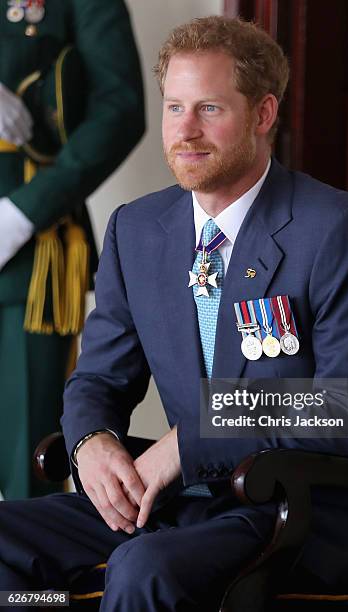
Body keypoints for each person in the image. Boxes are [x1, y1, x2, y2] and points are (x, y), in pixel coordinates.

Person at [0, 15, 348, 611]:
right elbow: (98, 380)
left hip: (299, 508)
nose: (185, 131)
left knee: (145, 568)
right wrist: (93, 443)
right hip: (181, 501)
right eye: (174, 107)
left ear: (263, 115)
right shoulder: (135, 229)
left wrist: (190, 442)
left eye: (209, 109)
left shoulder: (338, 228)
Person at [0, 0, 145, 499]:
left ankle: (26, 585)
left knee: (27, 472)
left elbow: (120, 109)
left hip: (26, 250)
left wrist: (21, 213)